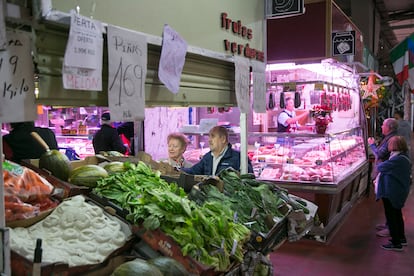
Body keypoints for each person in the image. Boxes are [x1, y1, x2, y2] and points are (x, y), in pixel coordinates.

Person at [375, 136, 411, 251]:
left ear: (394, 146)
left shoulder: (397, 160)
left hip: (392, 192)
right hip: (398, 190)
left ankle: (396, 243)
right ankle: (401, 238)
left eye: (390, 144)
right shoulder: (403, 156)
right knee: (397, 215)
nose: (388, 146)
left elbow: (381, 167)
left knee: (392, 217)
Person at [367, 118, 398, 237]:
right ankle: (388, 224)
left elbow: (380, 154)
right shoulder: (391, 137)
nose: (381, 127)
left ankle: (390, 229)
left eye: (383, 125)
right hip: (386, 173)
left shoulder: (391, 139)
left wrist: (372, 145)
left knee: (388, 202)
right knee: (387, 202)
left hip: (387, 174)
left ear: (389, 127)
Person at [182, 126, 253, 175]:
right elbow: (193, 171)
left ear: (223, 139)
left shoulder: (239, 158)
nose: (209, 140)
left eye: (213, 136)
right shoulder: (208, 157)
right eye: (209, 136)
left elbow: (249, 180)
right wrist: (176, 170)